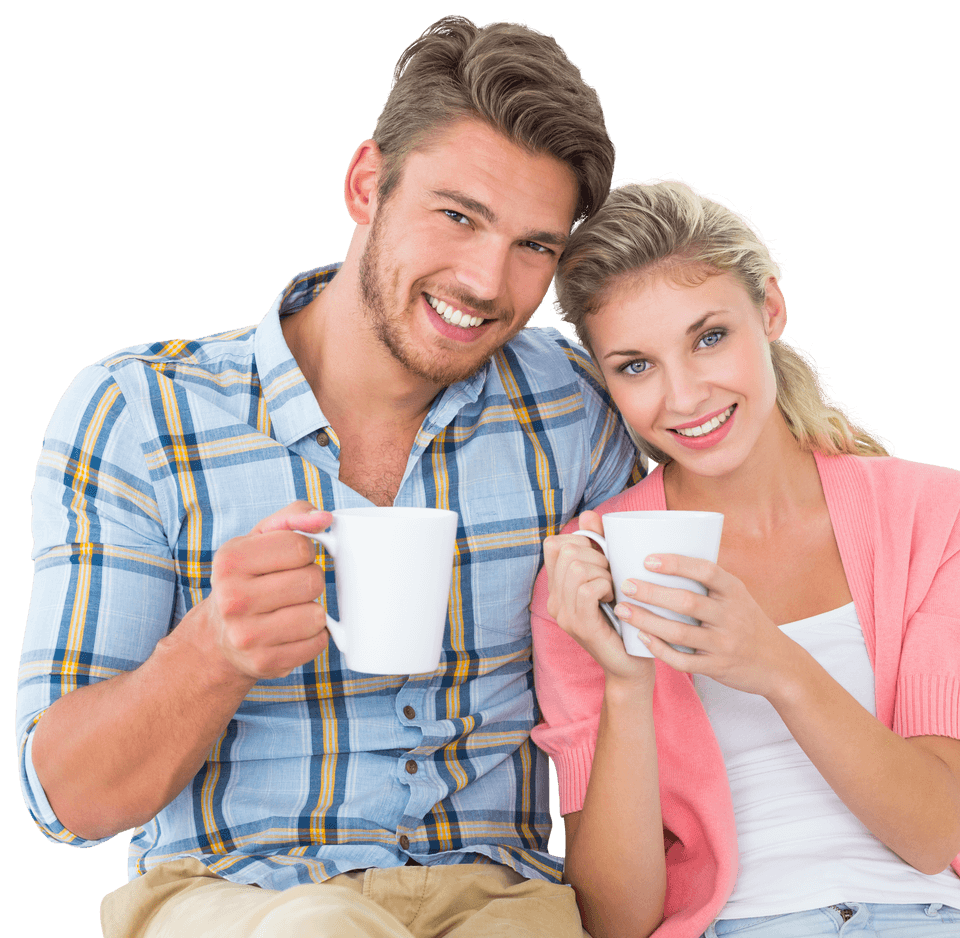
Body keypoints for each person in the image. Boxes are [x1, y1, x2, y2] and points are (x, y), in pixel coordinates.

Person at [16, 16, 642, 938]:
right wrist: (212, 653)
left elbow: (742, 463)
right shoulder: (140, 413)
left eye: (533, 247)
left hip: (503, 895)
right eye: (458, 215)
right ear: (365, 183)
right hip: (237, 895)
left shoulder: (578, 409)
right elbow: (65, 801)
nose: (484, 279)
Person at [531, 179, 960, 938]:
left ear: (770, 310)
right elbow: (616, 922)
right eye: (636, 366)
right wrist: (625, 683)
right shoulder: (587, 567)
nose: (683, 397)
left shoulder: (934, 513)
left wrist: (773, 663)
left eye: (709, 336)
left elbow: (932, 832)